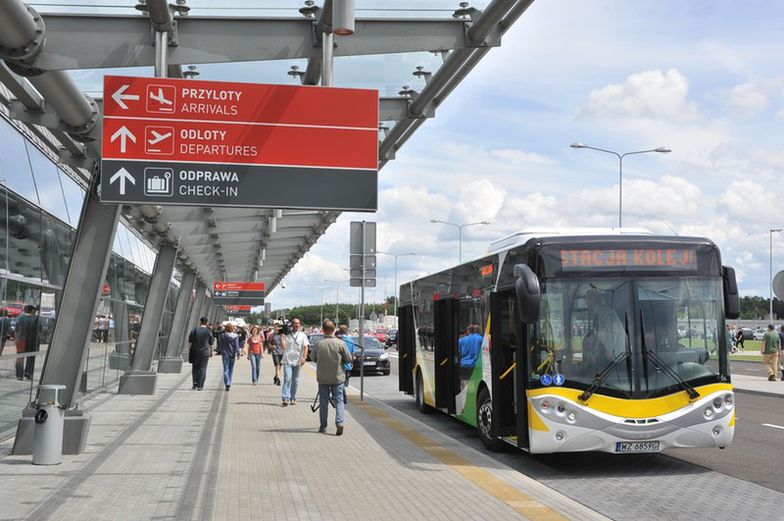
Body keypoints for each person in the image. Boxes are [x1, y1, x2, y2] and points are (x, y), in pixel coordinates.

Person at [311, 320, 352, 435]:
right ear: (334, 330)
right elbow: (348, 359)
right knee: (339, 400)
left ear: (323, 330)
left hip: (323, 377)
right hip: (337, 377)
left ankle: (323, 425)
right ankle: (339, 423)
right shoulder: (340, 343)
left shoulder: (318, 344)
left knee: (323, 401)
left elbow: (313, 358)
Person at [281, 318, 309, 406]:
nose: (297, 325)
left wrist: (304, 357)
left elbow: (305, 347)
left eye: (298, 323)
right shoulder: (287, 334)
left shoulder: (302, 335)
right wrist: (282, 338)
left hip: (297, 361)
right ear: (292, 325)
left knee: (295, 381)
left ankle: (293, 397)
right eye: (295, 323)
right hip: (287, 360)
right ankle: (285, 398)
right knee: (287, 379)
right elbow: (283, 347)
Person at [188, 317, 214, 391]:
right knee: (203, 368)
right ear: (206, 323)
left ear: (200, 322)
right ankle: (200, 386)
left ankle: (195, 383)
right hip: (205, 352)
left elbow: (190, 342)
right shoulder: (208, 331)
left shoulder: (194, 330)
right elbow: (211, 343)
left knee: (195, 367)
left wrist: (190, 350)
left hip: (195, 351)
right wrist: (211, 352)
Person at [14, 305, 39, 381]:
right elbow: (39, 331)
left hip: (21, 340)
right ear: (31, 310)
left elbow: (16, 329)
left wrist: (16, 339)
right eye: (35, 310)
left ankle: (19, 375)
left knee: (20, 358)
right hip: (32, 341)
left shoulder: (19, 318)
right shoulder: (36, 319)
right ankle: (29, 374)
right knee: (31, 358)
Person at [217, 322, 241, 391]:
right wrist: (238, 354)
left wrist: (221, 351)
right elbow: (236, 346)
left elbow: (220, 345)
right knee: (231, 369)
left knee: (226, 369)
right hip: (232, 354)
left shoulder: (222, 336)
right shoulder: (235, 336)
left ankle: (227, 383)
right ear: (232, 328)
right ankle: (229, 382)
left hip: (225, 354)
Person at [336, 324, 355, 403]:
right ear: (347, 331)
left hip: (340, 365)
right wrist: (352, 363)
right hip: (348, 365)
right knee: (344, 382)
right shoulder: (351, 340)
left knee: (340, 382)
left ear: (339, 331)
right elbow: (353, 354)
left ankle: (343, 396)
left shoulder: (339, 340)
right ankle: (342, 395)